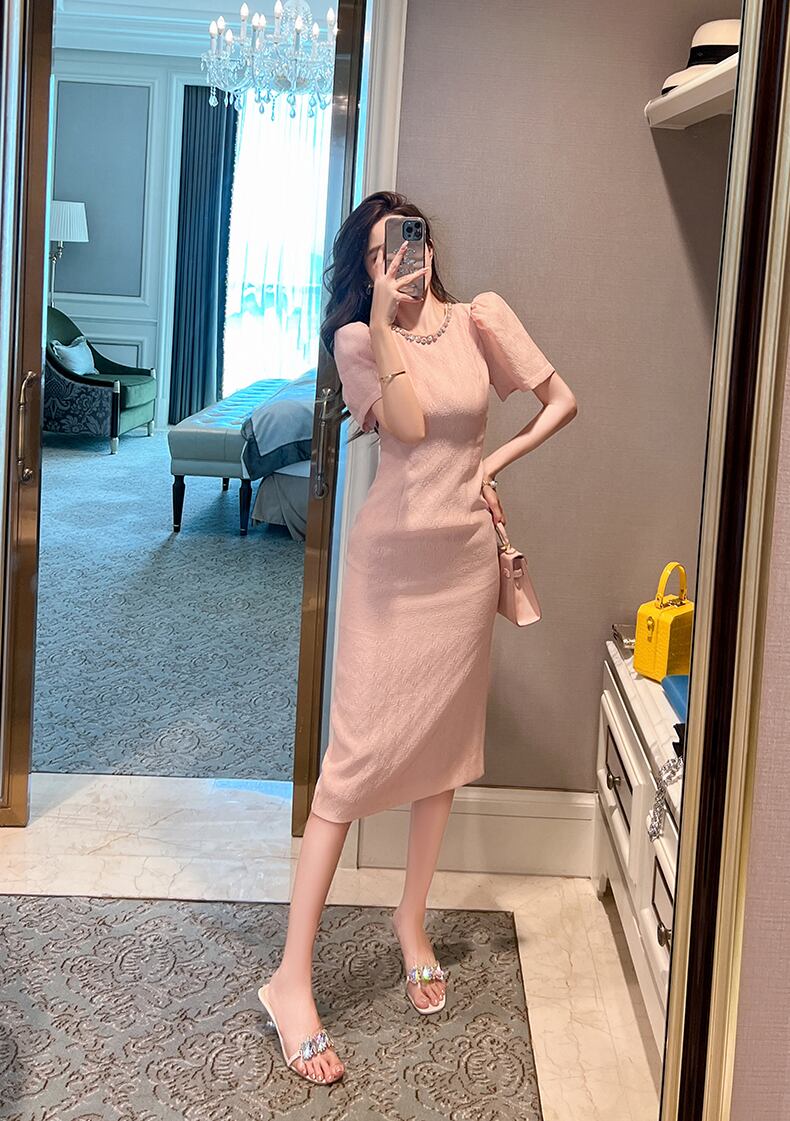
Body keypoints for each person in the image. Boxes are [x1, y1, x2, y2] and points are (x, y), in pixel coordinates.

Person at [257, 191, 578, 1085]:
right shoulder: (358, 342)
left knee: (441, 751)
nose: (401, 257)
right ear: (363, 269)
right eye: (379, 252)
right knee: (351, 765)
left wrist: (491, 464)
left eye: (410, 240)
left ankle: (411, 919)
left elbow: (562, 400)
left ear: (429, 244)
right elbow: (404, 426)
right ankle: (290, 979)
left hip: (464, 565)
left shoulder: (481, 320)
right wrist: (382, 317)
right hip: (392, 575)